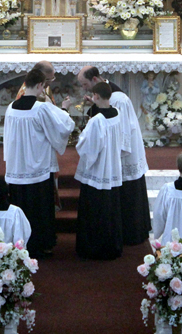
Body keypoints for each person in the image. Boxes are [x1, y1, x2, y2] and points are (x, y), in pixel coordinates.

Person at [4, 69, 74, 257]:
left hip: (18, 168)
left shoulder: (11, 107)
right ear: (42, 85)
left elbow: (8, 139)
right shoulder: (42, 108)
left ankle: (20, 245)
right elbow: (64, 125)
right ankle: (42, 245)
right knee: (39, 209)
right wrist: (65, 108)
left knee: (21, 207)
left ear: (25, 84)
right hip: (39, 169)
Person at [78, 66, 151, 245]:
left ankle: (129, 233)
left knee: (126, 191)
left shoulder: (118, 99)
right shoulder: (109, 95)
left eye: (85, 84)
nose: (84, 88)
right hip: (116, 153)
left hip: (124, 155)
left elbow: (121, 132)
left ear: (95, 80)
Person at [75, 82, 127, 260]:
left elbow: (88, 147)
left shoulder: (97, 120)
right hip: (112, 166)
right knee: (110, 209)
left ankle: (92, 248)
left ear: (96, 96)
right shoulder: (116, 113)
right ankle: (111, 246)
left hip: (98, 171)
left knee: (94, 210)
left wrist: (80, 138)